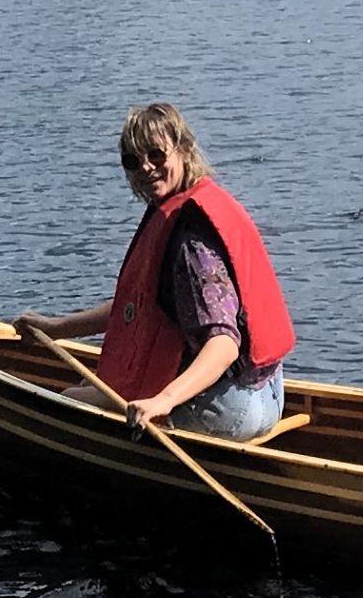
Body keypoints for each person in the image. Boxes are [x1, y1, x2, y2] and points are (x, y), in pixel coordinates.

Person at [23, 102, 297, 443]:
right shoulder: (188, 204)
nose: (146, 167)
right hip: (269, 391)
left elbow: (225, 343)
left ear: (184, 149)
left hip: (232, 405)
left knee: (69, 401)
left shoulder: (191, 246)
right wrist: (55, 329)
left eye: (156, 154)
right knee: (91, 386)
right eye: (132, 161)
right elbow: (139, 308)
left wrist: (163, 401)